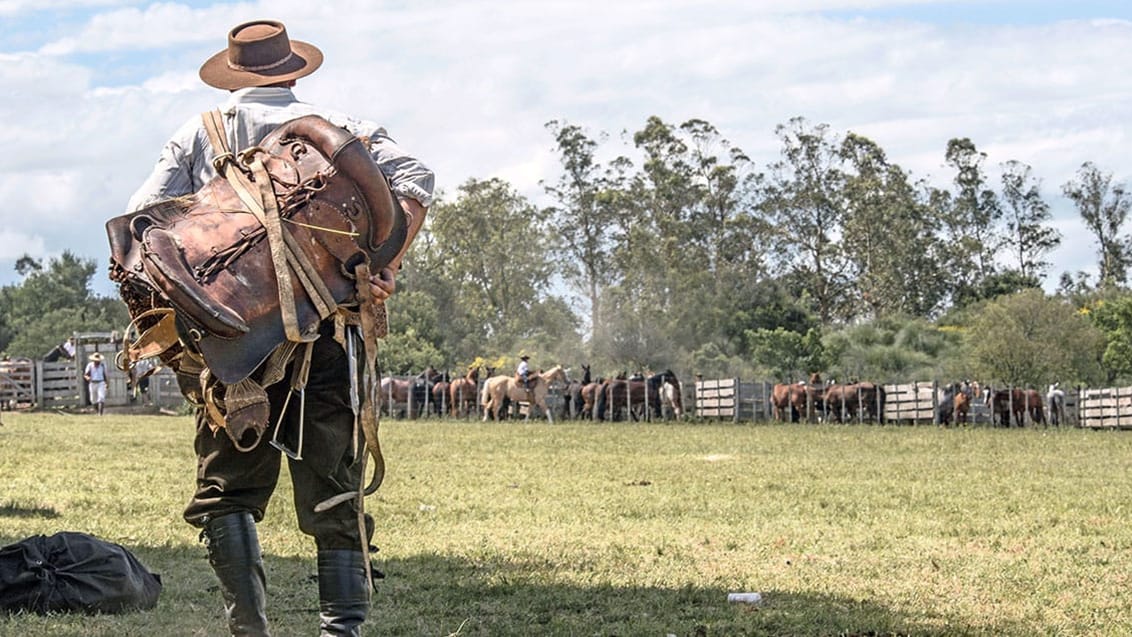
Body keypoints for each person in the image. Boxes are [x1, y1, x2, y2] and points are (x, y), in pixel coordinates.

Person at [123, 20, 434, 637]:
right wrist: (384, 266)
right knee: (334, 479)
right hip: (328, 334)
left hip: (234, 340)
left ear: (235, 76)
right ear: (293, 71)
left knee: (228, 488)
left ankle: (249, 629)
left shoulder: (199, 134)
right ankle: (340, 631)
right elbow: (416, 180)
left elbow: (140, 223)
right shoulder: (343, 128)